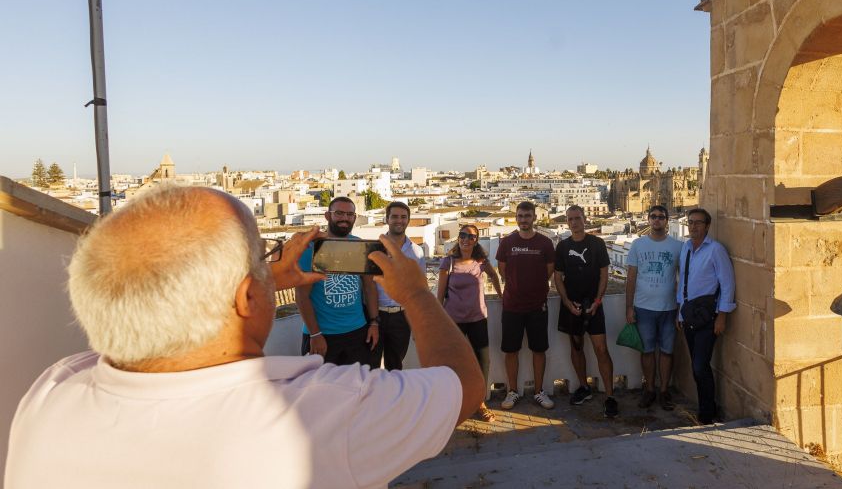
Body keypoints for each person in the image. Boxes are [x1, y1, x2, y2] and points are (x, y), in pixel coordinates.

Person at [4, 184, 484, 488]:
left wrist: (264, 278)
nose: (269, 267)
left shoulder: (51, 393)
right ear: (244, 297)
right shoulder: (321, 414)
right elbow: (464, 388)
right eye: (260, 259)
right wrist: (418, 296)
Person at [296, 196, 380, 366]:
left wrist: (374, 323)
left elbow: (369, 287)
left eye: (350, 214)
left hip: (357, 332)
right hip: (323, 335)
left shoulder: (359, 246)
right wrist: (315, 334)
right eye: (339, 213)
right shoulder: (311, 249)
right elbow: (302, 296)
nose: (345, 218)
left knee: (356, 387)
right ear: (327, 216)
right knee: (320, 388)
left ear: (355, 218)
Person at [553, 205, 619, 418]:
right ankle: (584, 387)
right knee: (576, 347)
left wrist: (598, 301)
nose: (574, 222)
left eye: (577, 218)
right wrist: (567, 302)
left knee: (601, 350)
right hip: (572, 306)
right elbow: (557, 277)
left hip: (593, 305)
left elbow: (604, 275)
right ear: (567, 221)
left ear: (585, 219)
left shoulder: (597, 244)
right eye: (570, 219)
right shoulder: (563, 247)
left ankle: (610, 396)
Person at [437, 224, 503, 422]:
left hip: (477, 319)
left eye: (471, 236)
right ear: (459, 238)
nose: (466, 239)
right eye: (463, 235)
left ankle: (479, 403)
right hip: (454, 321)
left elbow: (493, 275)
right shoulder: (448, 262)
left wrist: (501, 295)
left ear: (476, 241)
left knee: (483, 362)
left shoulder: (481, 261)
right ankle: (455, 403)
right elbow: (440, 294)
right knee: (453, 363)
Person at [676, 208, 735, 425]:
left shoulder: (716, 250)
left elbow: (727, 283)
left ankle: (707, 413)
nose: (693, 226)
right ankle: (705, 407)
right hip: (689, 314)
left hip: (708, 316)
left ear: (707, 226)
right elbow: (683, 281)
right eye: (691, 222)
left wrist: (722, 316)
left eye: (698, 223)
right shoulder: (686, 248)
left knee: (700, 365)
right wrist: (680, 311)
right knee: (696, 365)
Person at [496, 201, 556, 410]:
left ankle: (539, 391)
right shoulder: (506, 243)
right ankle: (513, 391)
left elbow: (550, 270)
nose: (524, 220)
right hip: (512, 305)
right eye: (520, 216)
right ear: (516, 218)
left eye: (527, 216)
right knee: (510, 350)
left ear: (534, 218)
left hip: (537, 305)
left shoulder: (545, 243)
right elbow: (502, 270)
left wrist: (535, 286)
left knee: (538, 350)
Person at [625, 205, 684, 411]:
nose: (657, 220)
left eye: (661, 216)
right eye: (653, 216)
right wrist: (629, 308)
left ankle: (664, 390)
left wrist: (680, 309)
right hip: (643, 308)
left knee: (667, 352)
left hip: (669, 309)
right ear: (648, 220)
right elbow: (631, 278)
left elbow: (683, 279)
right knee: (647, 351)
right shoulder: (637, 245)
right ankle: (649, 389)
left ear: (667, 221)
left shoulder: (678, 247)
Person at [373, 201, 426, 370]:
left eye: (403, 217)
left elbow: (420, 288)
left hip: (402, 317)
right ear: (387, 219)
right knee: (371, 364)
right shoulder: (374, 249)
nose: (399, 220)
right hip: (375, 315)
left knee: (395, 366)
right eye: (394, 216)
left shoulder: (416, 251)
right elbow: (367, 285)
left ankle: (393, 396)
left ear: (408, 220)